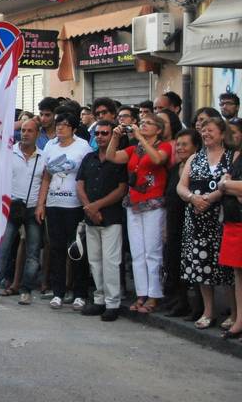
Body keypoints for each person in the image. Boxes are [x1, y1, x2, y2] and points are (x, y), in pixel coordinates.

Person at [105, 112, 172, 314]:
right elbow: (111, 156)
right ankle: (142, 293)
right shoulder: (135, 148)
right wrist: (115, 137)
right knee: (137, 252)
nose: (142, 126)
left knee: (153, 251)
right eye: (141, 123)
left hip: (153, 203)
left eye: (148, 123)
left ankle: (154, 295)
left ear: (158, 129)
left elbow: (158, 160)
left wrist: (140, 137)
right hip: (134, 203)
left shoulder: (165, 146)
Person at [176, 117, 235, 329]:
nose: (206, 134)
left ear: (221, 133)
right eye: (204, 131)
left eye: (211, 130)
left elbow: (227, 185)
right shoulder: (195, 157)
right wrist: (193, 198)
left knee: (227, 268)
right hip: (197, 218)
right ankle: (208, 311)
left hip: (221, 218)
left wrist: (209, 199)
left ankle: (233, 313)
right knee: (201, 267)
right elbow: (181, 186)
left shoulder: (231, 157)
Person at [0, 118, 44, 305]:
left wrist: (41, 205)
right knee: (3, 250)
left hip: (33, 208)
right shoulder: (9, 153)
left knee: (33, 252)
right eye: (23, 130)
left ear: (37, 134)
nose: (25, 133)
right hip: (10, 206)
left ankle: (26, 290)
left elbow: (45, 182)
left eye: (30, 131)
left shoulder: (43, 157)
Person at [36, 111, 91, 311]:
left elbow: (86, 176)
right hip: (54, 204)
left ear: (73, 129)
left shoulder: (82, 147)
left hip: (75, 205)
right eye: (58, 124)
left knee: (76, 250)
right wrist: (41, 204)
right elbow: (46, 177)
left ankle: (79, 293)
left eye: (65, 125)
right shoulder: (50, 146)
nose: (60, 128)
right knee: (57, 249)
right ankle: (58, 292)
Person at [75, 121, 127, 321]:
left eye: (105, 133)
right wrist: (89, 207)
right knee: (94, 261)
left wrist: (97, 206)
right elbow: (80, 185)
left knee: (111, 261)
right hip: (90, 217)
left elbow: (122, 189)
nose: (100, 136)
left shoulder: (119, 158)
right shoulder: (89, 158)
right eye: (97, 133)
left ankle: (113, 303)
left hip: (111, 217)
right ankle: (100, 299)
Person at [162, 129, 201, 317]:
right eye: (178, 144)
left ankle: (198, 307)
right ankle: (180, 302)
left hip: (192, 223)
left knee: (193, 266)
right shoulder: (173, 169)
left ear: (195, 146)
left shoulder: (198, 168)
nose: (180, 148)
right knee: (174, 263)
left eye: (185, 144)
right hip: (173, 223)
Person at [218, 140, 242, 339]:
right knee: (238, 274)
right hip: (233, 220)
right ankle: (239, 321)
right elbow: (224, 185)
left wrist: (226, 184)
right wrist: (228, 185)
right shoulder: (236, 156)